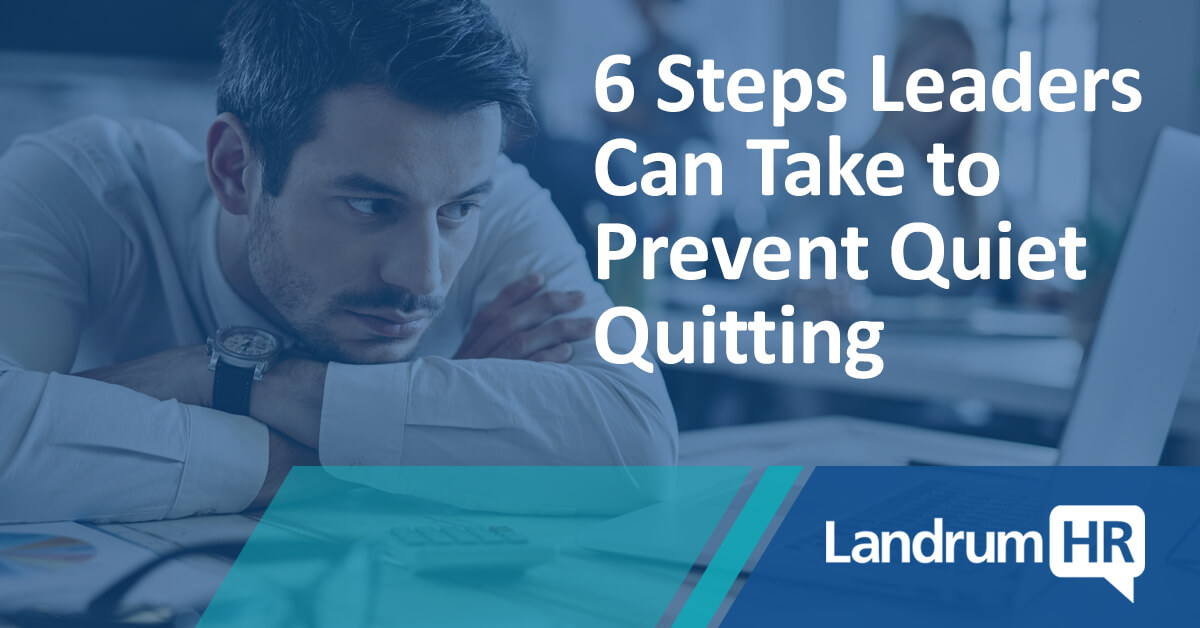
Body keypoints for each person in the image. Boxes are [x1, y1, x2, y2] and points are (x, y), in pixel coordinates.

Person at [0, 0, 677, 524]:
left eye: (457, 212)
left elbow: (637, 451)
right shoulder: (82, 185)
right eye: (368, 207)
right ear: (236, 169)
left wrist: (225, 381)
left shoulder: (494, 196)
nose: (425, 278)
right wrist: (384, 455)